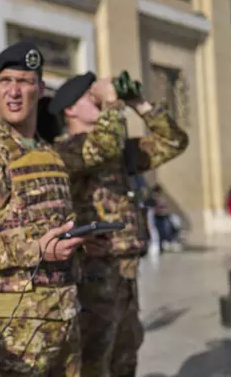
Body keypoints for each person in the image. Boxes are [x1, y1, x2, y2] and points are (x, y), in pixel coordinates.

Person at [0, 41, 126, 376]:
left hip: (66, 318)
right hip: (15, 333)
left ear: (40, 89)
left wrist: (80, 244)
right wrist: (35, 249)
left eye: (24, 82)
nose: (14, 91)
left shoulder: (53, 155)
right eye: (5, 81)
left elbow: (48, 225)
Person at [49, 71, 189, 377]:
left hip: (125, 273)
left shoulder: (118, 149)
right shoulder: (65, 150)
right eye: (90, 96)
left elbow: (174, 141)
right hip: (91, 274)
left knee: (126, 355)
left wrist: (139, 103)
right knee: (93, 359)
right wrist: (112, 104)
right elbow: (103, 147)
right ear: (69, 110)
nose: (99, 99)